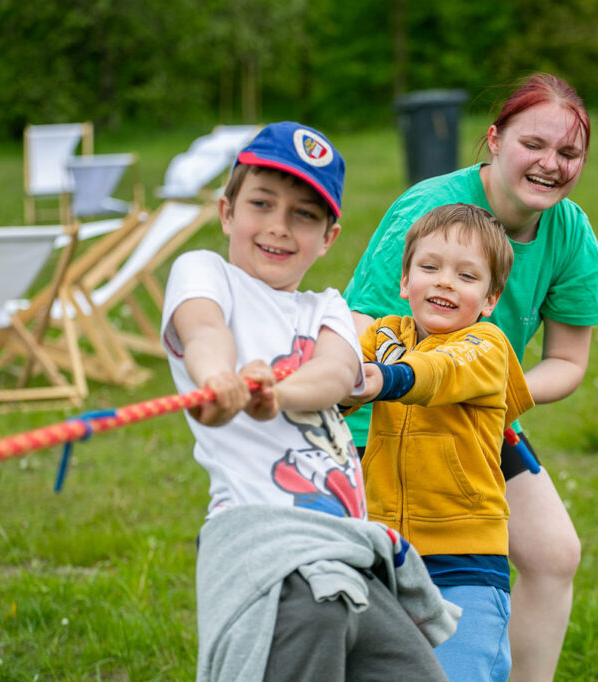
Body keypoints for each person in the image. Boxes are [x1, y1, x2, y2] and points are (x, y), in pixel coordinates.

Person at [161, 121, 458, 682]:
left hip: (348, 549)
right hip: (269, 545)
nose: (278, 226)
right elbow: (203, 332)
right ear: (226, 212)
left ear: (328, 237)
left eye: (303, 214)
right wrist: (219, 379)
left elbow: (335, 372)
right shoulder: (205, 273)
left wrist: (275, 393)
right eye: (261, 204)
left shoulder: (326, 308)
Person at [343, 73, 598, 681]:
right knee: (368, 584)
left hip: (476, 415)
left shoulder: (571, 233)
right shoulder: (430, 211)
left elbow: (567, 363)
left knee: (553, 553)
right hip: (378, 416)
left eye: (568, 153)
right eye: (533, 145)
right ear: (494, 139)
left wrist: (487, 395)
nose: (550, 165)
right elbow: (360, 325)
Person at [341, 203, 535, 682]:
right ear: (405, 282)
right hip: (385, 553)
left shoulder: (486, 346)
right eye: (429, 268)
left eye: (466, 276)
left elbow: (436, 373)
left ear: (490, 298)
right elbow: (336, 379)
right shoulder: (384, 334)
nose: (445, 282)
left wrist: (384, 377)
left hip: (464, 558)